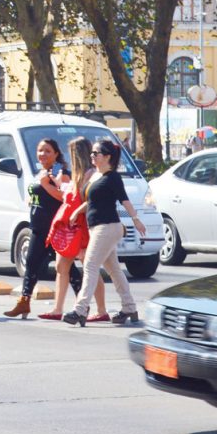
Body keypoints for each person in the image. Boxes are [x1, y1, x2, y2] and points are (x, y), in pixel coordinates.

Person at [63, 139, 146, 327]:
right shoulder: (95, 177)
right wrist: (77, 211)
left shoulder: (112, 177)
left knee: (90, 265)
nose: (92, 156)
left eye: (96, 153)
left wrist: (136, 219)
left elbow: (124, 201)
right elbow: (92, 201)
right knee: (114, 270)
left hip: (107, 227)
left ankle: (80, 310)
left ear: (107, 156)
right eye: (91, 153)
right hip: (98, 228)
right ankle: (129, 307)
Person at [38, 137, 108, 322]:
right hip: (70, 226)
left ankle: (101, 310)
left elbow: (83, 200)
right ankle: (57, 308)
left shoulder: (90, 174)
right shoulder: (77, 174)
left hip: (83, 226)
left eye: (72, 153)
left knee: (89, 268)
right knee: (62, 266)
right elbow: (68, 197)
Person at [4, 139, 69, 319]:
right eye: (40, 150)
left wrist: (46, 185)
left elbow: (64, 196)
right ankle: (24, 303)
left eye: (48, 151)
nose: (43, 154)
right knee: (31, 264)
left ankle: (82, 305)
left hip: (54, 228)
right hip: (38, 227)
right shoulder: (41, 172)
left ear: (56, 153)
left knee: (67, 268)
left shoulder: (60, 172)